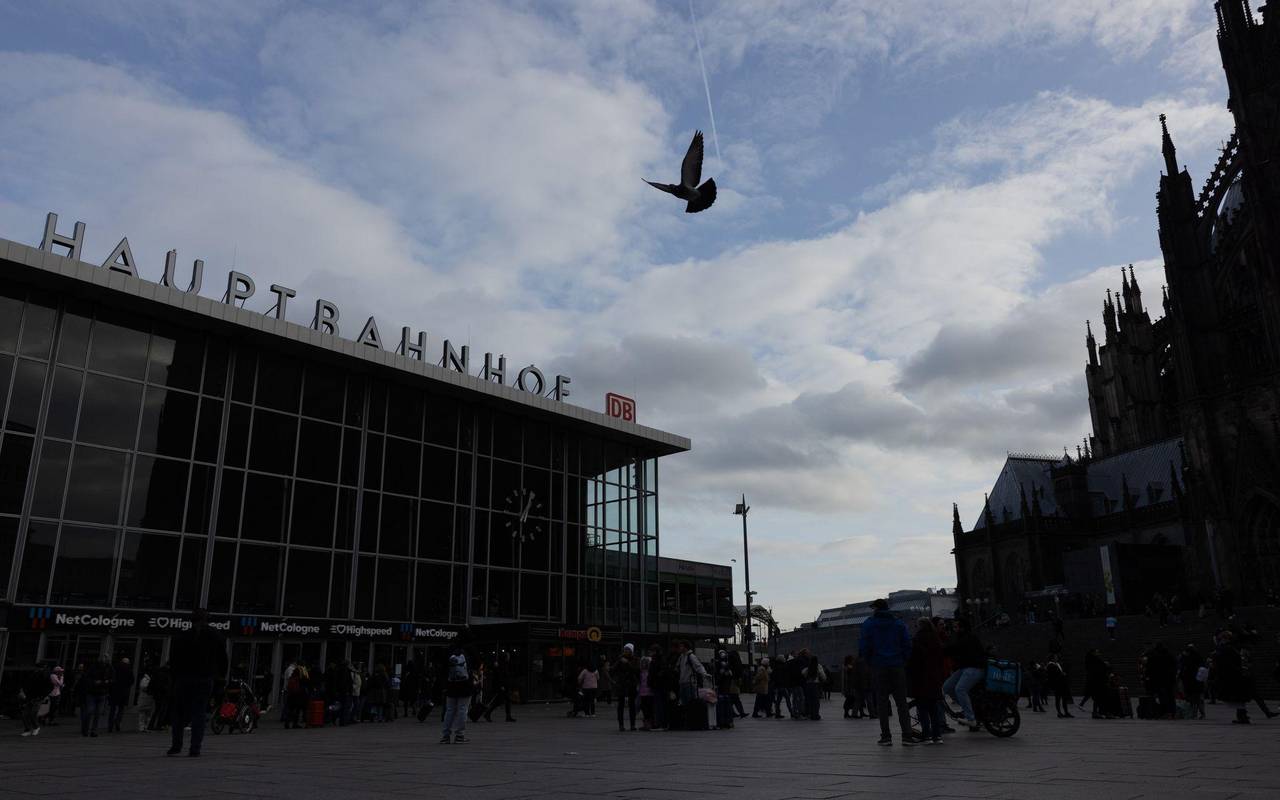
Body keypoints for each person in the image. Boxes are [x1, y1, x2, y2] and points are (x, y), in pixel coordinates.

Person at [166, 608, 228, 757]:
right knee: (199, 713)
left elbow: (173, 660)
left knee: (179, 713)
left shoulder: (181, 636)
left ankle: (176, 745)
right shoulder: (216, 636)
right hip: (204, 678)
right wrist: (220, 678)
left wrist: (174, 677)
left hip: (184, 678)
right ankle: (195, 748)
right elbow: (222, 660)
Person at [859, 598, 916, 746]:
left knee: (882, 703)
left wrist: (870, 661)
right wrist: (903, 660)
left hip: (878, 665)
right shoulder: (899, 624)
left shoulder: (869, 624)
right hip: (897, 665)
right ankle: (907, 736)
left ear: (876, 609)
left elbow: (864, 645)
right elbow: (907, 644)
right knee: (902, 702)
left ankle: (886, 736)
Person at [942, 617, 986, 731]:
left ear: (963, 627)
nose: (954, 629)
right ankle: (968, 708)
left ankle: (970, 718)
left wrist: (939, 650)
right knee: (947, 687)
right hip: (965, 668)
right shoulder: (961, 637)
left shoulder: (968, 637)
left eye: (956, 626)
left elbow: (954, 648)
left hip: (975, 668)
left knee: (960, 689)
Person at [908, 618, 947, 744]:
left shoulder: (917, 639)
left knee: (922, 708)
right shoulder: (936, 639)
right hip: (934, 678)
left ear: (920, 626)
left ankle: (927, 736)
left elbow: (913, 660)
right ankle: (937, 736)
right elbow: (941, 659)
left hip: (921, 678)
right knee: (934, 709)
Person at [440, 647, 473, 743]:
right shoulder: (468, 651)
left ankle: (445, 736)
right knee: (462, 710)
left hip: (451, 686)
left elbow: (443, 669)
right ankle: (459, 735)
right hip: (465, 686)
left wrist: (444, 686)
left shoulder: (449, 651)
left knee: (449, 710)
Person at [80, 656, 112, 738]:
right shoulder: (93, 668)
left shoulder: (109, 668)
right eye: (104, 661)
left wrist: (108, 681)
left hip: (102, 693)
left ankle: (94, 730)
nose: (105, 663)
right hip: (92, 693)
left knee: (98, 713)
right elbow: (87, 678)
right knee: (90, 711)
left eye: (106, 662)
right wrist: (94, 682)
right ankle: (86, 729)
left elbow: (113, 678)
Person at [613, 644, 639, 731]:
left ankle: (632, 725)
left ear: (632, 651)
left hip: (631, 684)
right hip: (622, 684)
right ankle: (621, 725)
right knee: (620, 705)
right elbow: (614, 669)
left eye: (628, 649)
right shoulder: (620, 659)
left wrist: (627, 663)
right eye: (625, 649)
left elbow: (636, 670)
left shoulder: (635, 659)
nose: (626, 651)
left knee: (632, 705)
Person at [484, 653, 516, 723]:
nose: (509, 658)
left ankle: (508, 716)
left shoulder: (504, 664)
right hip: (502, 686)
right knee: (499, 701)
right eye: (508, 656)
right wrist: (501, 685)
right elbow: (499, 676)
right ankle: (487, 713)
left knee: (506, 701)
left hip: (505, 685)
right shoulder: (500, 665)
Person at [19, 663, 48, 737]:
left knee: (32, 713)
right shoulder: (32, 675)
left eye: (40, 668)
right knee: (25, 714)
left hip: (37, 697)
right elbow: (27, 685)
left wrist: (43, 696)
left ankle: (35, 727)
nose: (38, 669)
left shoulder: (44, 676)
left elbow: (47, 687)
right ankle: (28, 729)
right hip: (31, 697)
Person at [1179, 644, 1206, 720]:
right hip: (1197, 681)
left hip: (1189, 681)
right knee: (1198, 699)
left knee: (1191, 699)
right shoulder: (1198, 657)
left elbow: (1183, 669)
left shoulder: (1186, 658)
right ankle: (1201, 713)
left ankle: (1194, 713)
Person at [108, 656, 134, 733]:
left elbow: (111, 678)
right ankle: (118, 722)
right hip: (123, 692)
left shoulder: (116, 668)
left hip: (115, 691)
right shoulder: (129, 670)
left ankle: (110, 725)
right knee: (121, 709)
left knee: (113, 709)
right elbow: (132, 680)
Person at [148, 663, 172, 731]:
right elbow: (165, 685)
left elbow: (153, 683)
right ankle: (158, 725)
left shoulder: (158, 672)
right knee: (161, 711)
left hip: (158, 694)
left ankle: (152, 725)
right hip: (163, 694)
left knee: (157, 710)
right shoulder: (166, 674)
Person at [802, 652, 824, 721]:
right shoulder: (818, 666)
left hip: (808, 685)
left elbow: (803, 672)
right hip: (815, 684)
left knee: (809, 700)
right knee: (816, 701)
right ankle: (816, 714)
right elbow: (822, 675)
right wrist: (823, 679)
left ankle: (810, 714)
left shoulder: (808, 667)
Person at [135, 661, 155, 733]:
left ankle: (144, 727)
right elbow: (143, 687)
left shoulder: (147, 679)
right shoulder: (145, 679)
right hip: (145, 698)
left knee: (146, 714)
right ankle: (142, 727)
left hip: (147, 699)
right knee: (143, 714)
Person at [637, 655, 654, 730]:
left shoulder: (650, 672)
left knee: (649, 709)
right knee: (644, 708)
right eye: (642, 662)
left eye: (645, 663)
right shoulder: (641, 672)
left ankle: (649, 724)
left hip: (649, 693)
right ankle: (646, 723)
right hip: (642, 692)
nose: (644, 664)